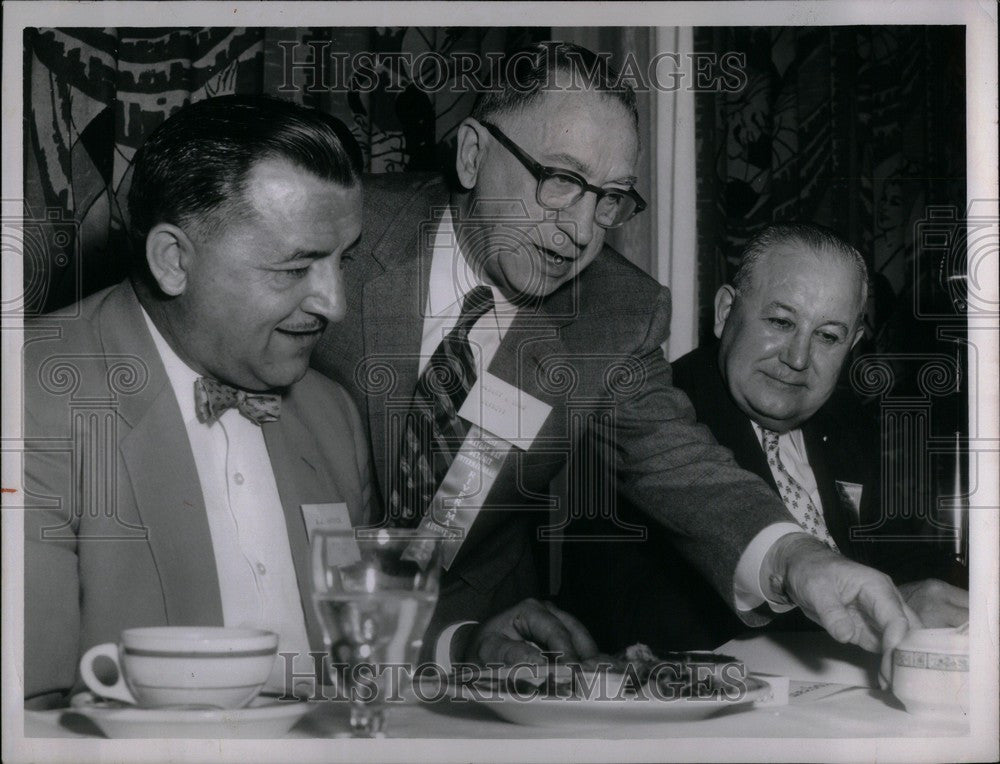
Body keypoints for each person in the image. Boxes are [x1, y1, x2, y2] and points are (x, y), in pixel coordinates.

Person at [310, 43, 919, 678]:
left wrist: (799, 559)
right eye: (562, 181)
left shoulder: (614, 311)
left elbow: (683, 467)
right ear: (472, 154)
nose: (580, 231)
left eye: (610, 197)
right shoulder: (339, 234)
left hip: (474, 650)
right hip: (288, 615)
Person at [22, 95, 373, 705]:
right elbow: (28, 710)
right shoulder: (31, 393)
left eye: (344, 261)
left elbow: (361, 666)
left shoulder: (332, 413)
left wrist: (466, 649)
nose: (335, 305)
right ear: (174, 260)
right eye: (295, 269)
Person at [560, 223, 968, 653]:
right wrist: (869, 611)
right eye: (780, 321)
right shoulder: (650, 415)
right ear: (724, 312)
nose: (797, 358)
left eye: (828, 336)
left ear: (853, 345)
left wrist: (938, 591)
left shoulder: (852, 425)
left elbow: (896, 550)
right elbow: (644, 618)